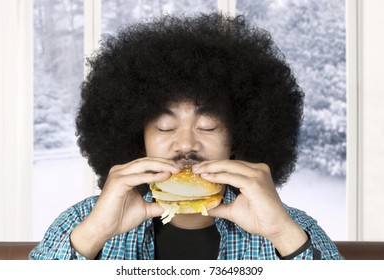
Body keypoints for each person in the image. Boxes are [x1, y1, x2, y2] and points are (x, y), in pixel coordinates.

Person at [29, 13, 343, 260]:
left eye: (207, 126)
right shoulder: (83, 221)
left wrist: (282, 234)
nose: (186, 145)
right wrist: (96, 232)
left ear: (238, 139)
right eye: (165, 127)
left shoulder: (291, 227)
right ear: (139, 140)